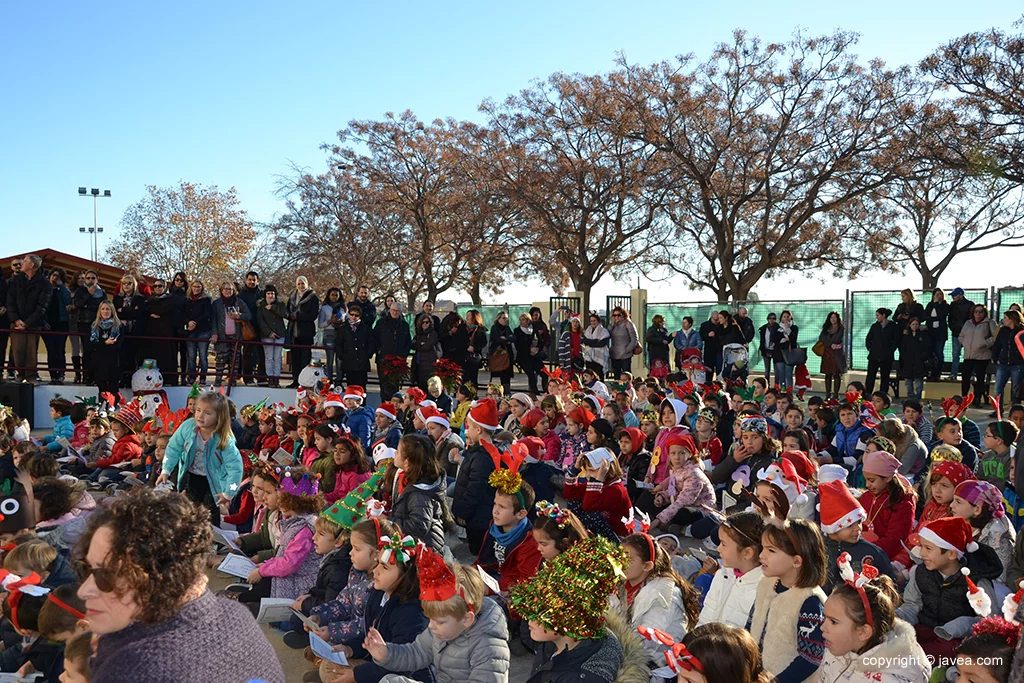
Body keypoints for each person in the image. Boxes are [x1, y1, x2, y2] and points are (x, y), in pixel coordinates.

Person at [78, 489, 284, 682]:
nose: (83, 591)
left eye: (104, 575)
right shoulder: (235, 614)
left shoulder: (133, 667)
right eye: (86, 569)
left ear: (159, 577)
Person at [362, 548, 510, 683]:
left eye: (440, 622)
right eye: (430, 618)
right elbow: (417, 653)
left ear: (467, 619)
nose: (431, 626)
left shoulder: (489, 646)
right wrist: (387, 654)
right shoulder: (440, 630)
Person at [511, 536, 632, 683]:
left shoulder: (580, 677)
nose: (530, 619)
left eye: (542, 613)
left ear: (569, 617)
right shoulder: (556, 641)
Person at [896, 516, 1002, 659]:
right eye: (921, 547)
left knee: (947, 651)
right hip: (923, 628)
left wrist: (960, 626)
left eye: (928, 548)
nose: (921, 553)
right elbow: (913, 604)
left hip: (955, 638)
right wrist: (896, 616)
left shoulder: (976, 582)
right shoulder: (919, 572)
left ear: (951, 554)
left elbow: (990, 620)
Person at [817, 557, 931, 683]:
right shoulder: (838, 646)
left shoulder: (892, 679)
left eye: (833, 621)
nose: (822, 626)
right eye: (825, 617)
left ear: (863, 632)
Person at [750, 518, 829, 683]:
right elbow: (751, 625)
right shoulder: (766, 584)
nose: (761, 555)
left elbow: (810, 659)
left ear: (797, 561)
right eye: (763, 548)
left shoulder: (811, 601)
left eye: (771, 550)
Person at [157, 391, 243, 526]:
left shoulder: (224, 440)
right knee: (190, 511)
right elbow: (174, 448)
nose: (200, 416)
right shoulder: (188, 427)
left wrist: (228, 493)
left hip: (214, 482)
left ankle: (212, 542)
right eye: (198, 410)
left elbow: (235, 467)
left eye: (207, 413)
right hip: (192, 477)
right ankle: (191, 539)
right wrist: (166, 470)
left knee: (210, 514)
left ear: (219, 417)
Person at [697, 511, 765, 628]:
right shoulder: (722, 575)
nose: (718, 549)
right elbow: (706, 615)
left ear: (747, 552)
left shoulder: (761, 590)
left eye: (723, 544)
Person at [6, 254, 52, 383]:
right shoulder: (16, 280)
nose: (21, 264)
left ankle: (31, 376)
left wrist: (27, 322)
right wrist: (15, 319)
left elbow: (43, 306)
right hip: (16, 322)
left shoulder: (44, 283)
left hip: (33, 323)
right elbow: (10, 300)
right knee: (17, 350)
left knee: (31, 351)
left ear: (31, 265)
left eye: (24, 261)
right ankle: (20, 375)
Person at [210, 281, 251, 386]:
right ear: (221, 290)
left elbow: (248, 315)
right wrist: (214, 333)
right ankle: (218, 381)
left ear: (234, 291)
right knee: (220, 359)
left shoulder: (239, 302)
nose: (228, 291)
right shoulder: (217, 303)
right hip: (222, 336)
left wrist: (239, 315)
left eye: (230, 289)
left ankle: (232, 382)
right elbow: (213, 320)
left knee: (235, 360)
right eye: (226, 289)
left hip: (236, 336)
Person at [113, 274, 148, 387]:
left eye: (129, 283)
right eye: (124, 283)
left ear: (134, 285)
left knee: (133, 357)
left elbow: (137, 314)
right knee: (121, 356)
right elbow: (116, 313)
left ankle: (130, 380)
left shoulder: (140, 298)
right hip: (121, 331)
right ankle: (122, 379)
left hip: (135, 331)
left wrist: (123, 310)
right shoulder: (117, 298)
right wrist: (131, 310)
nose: (126, 286)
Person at [144, 278, 181, 385]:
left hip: (166, 333)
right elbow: (145, 309)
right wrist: (150, 312)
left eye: (160, 286)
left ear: (165, 287)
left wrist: (152, 311)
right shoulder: (149, 299)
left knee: (167, 359)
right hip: (152, 334)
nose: (157, 288)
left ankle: (169, 380)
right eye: (155, 286)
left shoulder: (171, 299)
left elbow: (164, 309)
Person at [959, 304, 998, 405]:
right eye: (976, 311)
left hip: (982, 356)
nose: (978, 314)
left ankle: (977, 399)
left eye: (981, 312)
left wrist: (985, 344)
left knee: (980, 378)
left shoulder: (990, 322)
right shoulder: (968, 323)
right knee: (965, 377)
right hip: (968, 355)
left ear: (985, 313)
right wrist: (964, 343)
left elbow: (995, 336)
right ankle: (964, 399)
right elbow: (961, 335)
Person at [374, 300, 413, 400]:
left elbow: (408, 342)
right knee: (384, 385)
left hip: (398, 361)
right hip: (383, 359)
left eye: (397, 311)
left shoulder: (404, 325)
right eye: (393, 310)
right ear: (389, 310)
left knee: (395, 386)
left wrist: (403, 354)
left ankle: (394, 409)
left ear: (400, 312)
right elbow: (374, 338)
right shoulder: (381, 323)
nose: (395, 312)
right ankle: (384, 408)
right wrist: (379, 350)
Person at [72, 269, 105, 384]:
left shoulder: (102, 292)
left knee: (97, 351)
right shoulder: (81, 291)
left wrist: (88, 306)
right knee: (86, 351)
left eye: (93, 278)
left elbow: (104, 308)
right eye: (88, 278)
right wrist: (89, 295)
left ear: (97, 279)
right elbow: (78, 304)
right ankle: (87, 376)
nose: (90, 280)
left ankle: (96, 376)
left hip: (98, 325)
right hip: (84, 323)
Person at [286, 276, 320, 387]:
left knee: (305, 358)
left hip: (306, 332)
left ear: (306, 284)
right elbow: (287, 311)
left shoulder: (313, 297)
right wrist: (291, 316)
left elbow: (313, 315)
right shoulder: (292, 296)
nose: (301, 286)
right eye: (299, 283)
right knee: (294, 358)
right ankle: (295, 380)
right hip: (293, 332)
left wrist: (298, 316)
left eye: (303, 283)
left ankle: (304, 382)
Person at [255, 285, 289, 388]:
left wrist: (274, 308)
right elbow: (260, 321)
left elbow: (286, 314)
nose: (271, 296)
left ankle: (276, 378)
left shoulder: (280, 304)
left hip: (280, 334)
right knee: (269, 357)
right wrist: (269, 333)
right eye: (269, 294)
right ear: (265, 295)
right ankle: (270, 377)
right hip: (267, 335)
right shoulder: (261, 306)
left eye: (272, 293)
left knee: (278, 357)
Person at [992, 310, 1024, 416]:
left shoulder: (1021, 331)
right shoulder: (1003, 331)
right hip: (1004, 363)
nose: (1003, 320)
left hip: (1017, 363)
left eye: (1005, 318)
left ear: (1012, 319)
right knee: (998, 387)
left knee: (1016, 389)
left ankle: (1015, 411)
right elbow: (997, 345)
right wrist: (995, 358)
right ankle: (998, 410)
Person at [43, 267, 72, 384]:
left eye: (58, 277)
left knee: (60, 349)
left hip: (62, 323)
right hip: (47, 324)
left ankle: (61, 374)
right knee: (51, 349)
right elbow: (40, 306)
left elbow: (68, 301)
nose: (55, 278)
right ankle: (53, 375)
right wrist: (43, 322)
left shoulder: (63, 290)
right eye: (53, 275)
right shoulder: (44, 289)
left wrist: (62, 286)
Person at [336, 303, 375, 388]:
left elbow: (371, 342)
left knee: (361, 387)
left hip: (362, 362)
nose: (354, 317)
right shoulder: (343, 328)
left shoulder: (366, 328)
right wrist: (341, 355)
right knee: (350, 386)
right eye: (352, 314)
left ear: (360, 316)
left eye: (356, 315)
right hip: (349, 361)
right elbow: (338, 343)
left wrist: (368, 354)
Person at [183, 280, 213, 383]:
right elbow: (183, 313)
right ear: (191, 287)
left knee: (203, 355)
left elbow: (207, 314)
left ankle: (203, 377)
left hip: (203, 330)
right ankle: (192, 376)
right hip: (190, 331)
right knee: (191, 355)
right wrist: (188, 322)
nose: (196, 288)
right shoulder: (187, 300)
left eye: (199, 287)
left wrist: (195, 322)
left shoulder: (206, 300)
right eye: (195, 286)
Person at [236, 271, 264, 385]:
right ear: (246, 280)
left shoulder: (262, 293)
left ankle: (262, 378)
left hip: (261, 327)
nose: (252, 282)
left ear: (257, 281)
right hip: (247, 327)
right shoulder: (241, 295)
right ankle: (248, 378)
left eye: (254, 280)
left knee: (262, 353)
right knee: (248, 353)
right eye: (250, 279)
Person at [865, 307, 899, 396]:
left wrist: (891, 350)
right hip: (874, 356)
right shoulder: (874, 326)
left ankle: (883, 395)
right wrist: (869, 348)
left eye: (878, 315)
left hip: (886, 357)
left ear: (884, 315)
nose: (877, 317)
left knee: (885, 377)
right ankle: (868, 394)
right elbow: (868, 338)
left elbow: (896, 340)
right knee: (870, 376)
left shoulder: (893, 326)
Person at [947, 288, 975, 382]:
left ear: (961, 295)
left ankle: (970, 374)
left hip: (967, 334)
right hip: (956, 333)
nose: (953, 297)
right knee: (956, 354)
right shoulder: (953, 305)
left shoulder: (970, 305)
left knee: (969, 355)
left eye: (954, 295)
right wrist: (952, 327)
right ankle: (954, 374)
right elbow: (950, 318)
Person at [318, 287, 346, 382]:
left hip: (341, 334)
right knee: (329, 360)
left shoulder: (343, 308)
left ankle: (339, 381)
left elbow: (347, 320)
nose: (334, 297)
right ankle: (329, 381)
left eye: (336, 295)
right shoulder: (324, 308)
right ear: (329, 296)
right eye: (332, 295)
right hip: (329, 334)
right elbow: (320, 324)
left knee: (339, 360)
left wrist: (341, 321)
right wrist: (330, 321)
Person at [513, 313, 545, 394]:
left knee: (544, 374)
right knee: (531, 374)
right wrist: (529, 350)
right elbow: (518, 346)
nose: (521, 322)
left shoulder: (533, 328)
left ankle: (546, 391)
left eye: (523, 320)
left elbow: (541, 341)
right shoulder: (517, 331)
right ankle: (535, 393)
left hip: (535, 356)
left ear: (528, 320)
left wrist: (537, 348)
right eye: (520, 320)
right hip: (524, 357)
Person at [900, 318, 930, 400]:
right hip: (908, 362)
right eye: (913, 324)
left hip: (919, 362)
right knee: (908, 382)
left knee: (919, 382)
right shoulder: (906, 336)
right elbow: (902, 348)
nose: (914, 326)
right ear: (909, 325)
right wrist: (905, 357)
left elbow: (927, 347)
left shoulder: (923, 335)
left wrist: (922, 357)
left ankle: (918, 399)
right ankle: (910, 398)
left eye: (916, 324)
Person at [819, 311, 846, 401]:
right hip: (827, 353)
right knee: (828, 374)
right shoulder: (826, 328)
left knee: (836, 374)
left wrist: (830, 342)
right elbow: (822, 338)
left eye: (834, 317)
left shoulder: (841, 328)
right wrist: (830, 344)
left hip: (836, 354)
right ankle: (828, 394)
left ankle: (835, 394)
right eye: (831, 318)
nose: (833, 319)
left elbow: (837, 338)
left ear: (838, 319)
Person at [924, 288, 951, 380]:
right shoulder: (930, 305)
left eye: (940, 294)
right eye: (937, 294)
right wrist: (932, 317)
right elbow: (925, 316)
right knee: (930, 353)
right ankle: (930, 372)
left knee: (939, 353)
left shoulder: (945, 305)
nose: (938, 296)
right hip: (930, 333)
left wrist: (936, 305)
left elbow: (941, 316)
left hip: (940, 333)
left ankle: (937, 373)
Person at [488, 311, 515, 395]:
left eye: (506, 318)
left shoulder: (507, 328)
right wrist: (507, 339)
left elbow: (513, 338)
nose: (505, 320)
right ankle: (497, 394)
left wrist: (505, 338)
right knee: (498, 376)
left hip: (507, 356)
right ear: (498, 318)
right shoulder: (494, 328)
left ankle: (507, 394)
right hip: (498, 356)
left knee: (506, 378)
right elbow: (497, 339)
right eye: (503, 318)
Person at [771, 310, 800, 391]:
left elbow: (793, 339)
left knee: (789, 375)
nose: (786, 318)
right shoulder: (777, 328)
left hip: (789, 355)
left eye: (788, 317)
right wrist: (783, 339)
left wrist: (788, 329)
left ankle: (789, 393)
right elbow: (774, 339)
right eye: (784, 317)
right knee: (781, 375)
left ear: (791, 318)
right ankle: (783, 392)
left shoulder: (794, 328)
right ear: (781, 318)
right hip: (779, 354)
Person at [411, 313, 440, 392]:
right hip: (418, 364)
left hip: (429, 364)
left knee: (429, 386)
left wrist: (419, 344)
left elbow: (428, 345)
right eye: (423, 322)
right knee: (420, 387)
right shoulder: (418, 334)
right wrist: (421, 344)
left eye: (427, 322)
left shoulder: (433, 333)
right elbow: (412, 345)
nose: (425, 324)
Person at [608, 306, 638, 379]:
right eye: (614, 315)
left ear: (623, 315)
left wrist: (628, 349)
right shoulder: (612, 325)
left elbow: (634, 338)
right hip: (615, 354)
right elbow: (606, 335)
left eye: (619, 315)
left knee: (626, 375)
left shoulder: (628, 324)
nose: (616, 317)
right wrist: (611, 325)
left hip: (625, 355)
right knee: (616, 375)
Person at [462, 309, 488, 389]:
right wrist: (466, 347)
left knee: (473, 378)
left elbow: (483, 342)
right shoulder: (462, 328)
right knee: (464, 379)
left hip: (474, 357)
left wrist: (474, 347)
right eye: (467, 315)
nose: (467, 317)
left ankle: (474, 396)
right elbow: (458, 341)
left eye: (469, 315)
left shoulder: (480, 329)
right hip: (463, 356)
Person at [758, 312, 779, 385]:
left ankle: (776, 386)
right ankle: (767, 385)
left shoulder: (778, 328)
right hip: (766, 349)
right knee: (767, 369)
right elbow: (762, 340)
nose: (771, 320)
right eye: (770, 318)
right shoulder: (764, 328)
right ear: (767, 319)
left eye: (773, 318)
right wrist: (762, 349)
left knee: (777, 370)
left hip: (775, 351)